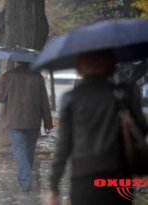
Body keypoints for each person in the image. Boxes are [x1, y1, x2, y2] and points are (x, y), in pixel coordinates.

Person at [46, 51, 148, 205]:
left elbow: (63, 146)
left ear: (80, 67)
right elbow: (141, 129)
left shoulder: (72, 98)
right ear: (111, 66)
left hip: (84, 178)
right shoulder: (123, 93)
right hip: (119, 177)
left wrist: (54, 187)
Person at [0, 62, 53, 192]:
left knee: (19, 149)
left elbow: (1, 98)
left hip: (15, 121)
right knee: (29, 151)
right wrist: (48, 122)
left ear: (17, 62)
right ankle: (26, 179)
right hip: (33, 120)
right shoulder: (38, 77)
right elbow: (44, 101)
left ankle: (26, 181)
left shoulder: (8, 75)